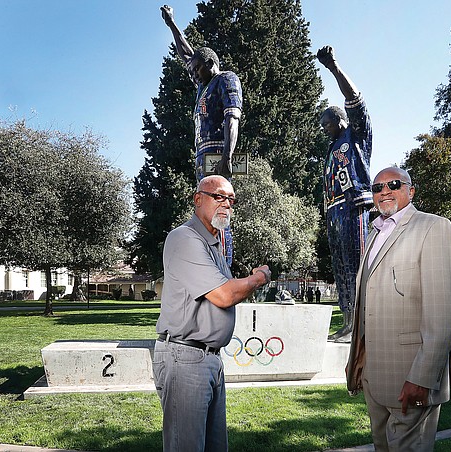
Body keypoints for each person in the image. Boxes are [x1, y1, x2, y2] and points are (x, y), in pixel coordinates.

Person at [346, 167, 451, 451]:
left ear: (411, 191)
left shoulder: (434, 228)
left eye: (393, 184)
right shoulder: (374, 234)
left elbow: (444, 314)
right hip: (375, 379)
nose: (384, 191)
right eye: (377, 188)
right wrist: (358, 360)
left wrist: (422, 377)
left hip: (411, 380)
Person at [153, 175, 271, 452]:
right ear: (198, 199)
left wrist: (245, 283)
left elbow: (228, 291)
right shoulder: (184, 238)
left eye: (231, 200)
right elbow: (225, 295)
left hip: (208, 358)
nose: (226, 204)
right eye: (218, 196)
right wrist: (259, 277)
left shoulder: (214, 244)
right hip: (185, 358)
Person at [161, 4, 243, 266]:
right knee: (204, 212)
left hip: (219, 151)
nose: (194, 73)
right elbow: (186, 53)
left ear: (210, 63)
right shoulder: (201, 87)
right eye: (192, 71)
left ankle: (222, 266)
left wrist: (228, 157)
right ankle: (208, 265)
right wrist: (172, 25)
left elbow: (233, 116)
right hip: (202, 154)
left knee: (219, 210)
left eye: (197, 69)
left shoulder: (225, 80)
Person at [317, 46, 374, 342]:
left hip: (353, 208)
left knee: (356, 266)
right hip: (334, 212)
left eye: (327, 124)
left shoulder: (356, 135)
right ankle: (348, 321)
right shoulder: (330, 150)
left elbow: (355, 100)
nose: (325, 129)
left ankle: (361, 324)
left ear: (340, 121)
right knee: (340, 270)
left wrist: (334, 67)